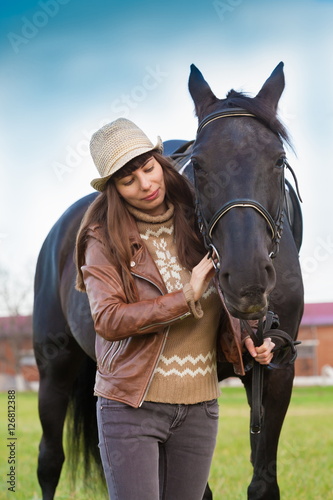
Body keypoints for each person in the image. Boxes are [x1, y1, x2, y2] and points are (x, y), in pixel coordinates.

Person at [75, 118, 275, 500]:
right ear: (113, 189)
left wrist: (249, 339)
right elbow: (108, 319)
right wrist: (186, 295)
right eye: (128, 180)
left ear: (160, 162)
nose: (146, 185)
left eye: (149, 169)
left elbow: (222, 298)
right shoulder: (101, 237)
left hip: (200, 409)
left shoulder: (199, 222)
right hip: (131, 408)